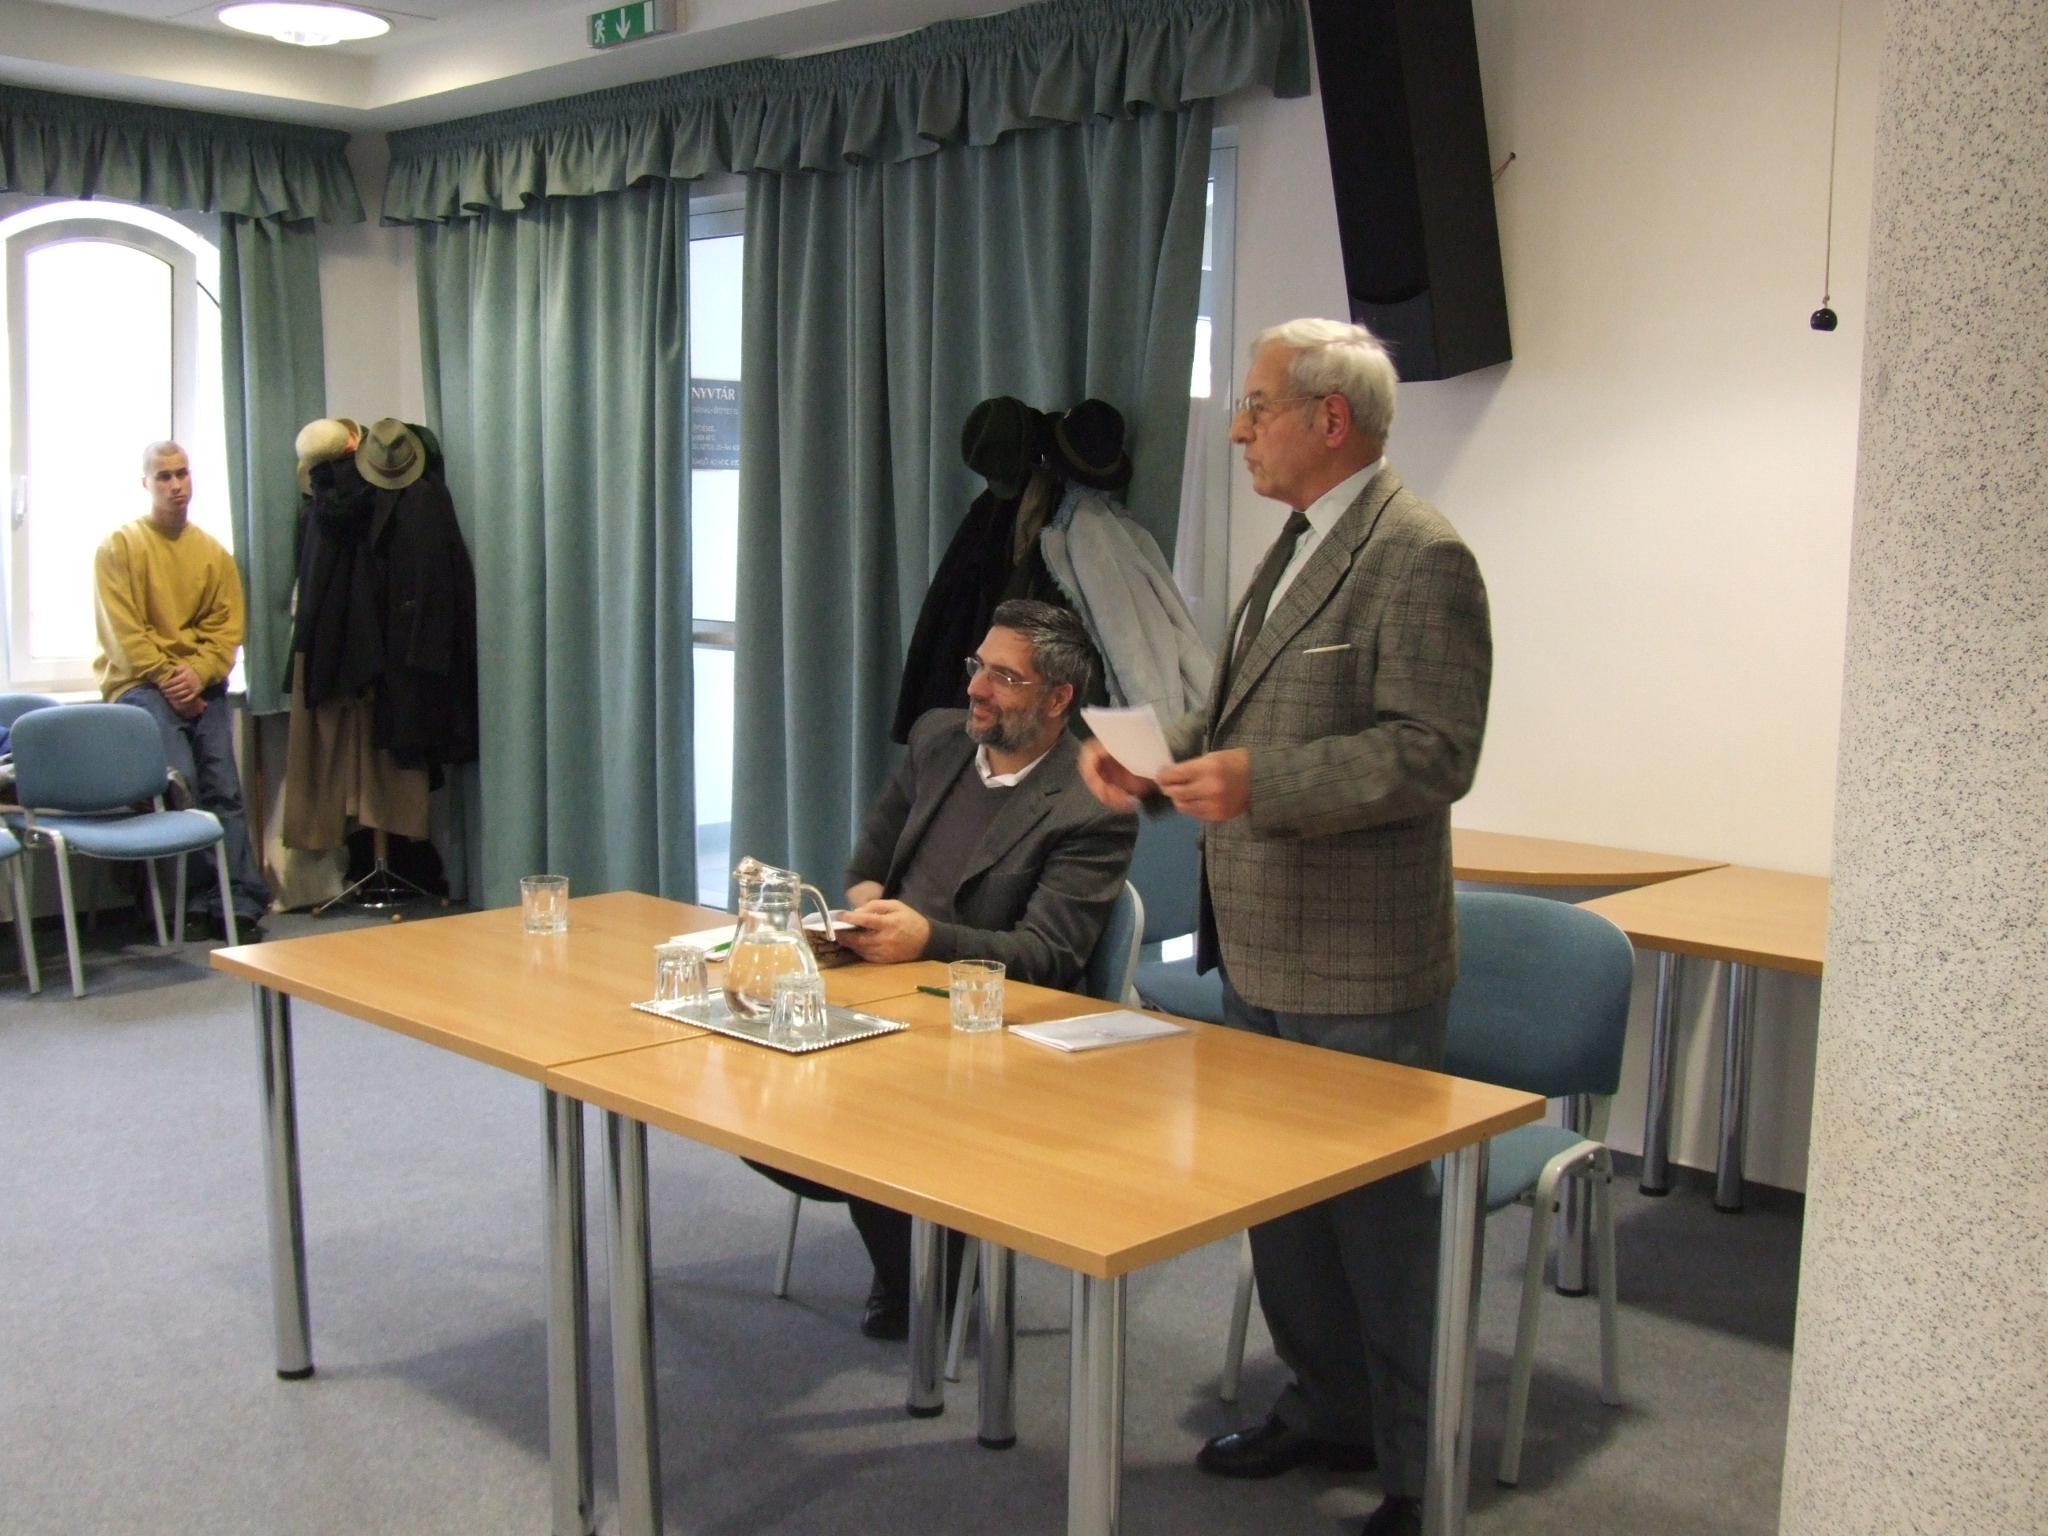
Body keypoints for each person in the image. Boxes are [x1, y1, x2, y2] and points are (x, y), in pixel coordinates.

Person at [1080, 320, 1492, 1536]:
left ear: (1330, 418)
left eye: (1255, 406)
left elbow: (1433, 753)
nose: (1235, 429)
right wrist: (1158, 767)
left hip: (1360, 962)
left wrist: (1265, 783)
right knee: (1284, 1216)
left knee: (1380, 1230)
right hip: (1257, 943)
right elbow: (1238, 723)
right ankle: (1326, 1406)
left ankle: (1416, 1471)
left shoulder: (1419, 554)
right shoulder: (1295, 542)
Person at [757, 598, 1138, 1339]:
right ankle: (908, 1243)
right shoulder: (939, 738)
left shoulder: (1091, 804)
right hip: (885, 983)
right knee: (758, 1078)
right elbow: (867, 869)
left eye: (1004, 676)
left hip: (994, 1021)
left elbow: (1049, 958)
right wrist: (864, 921)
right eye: (976, 666)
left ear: (1057, 698)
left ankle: (924, 1276)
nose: (975, 689)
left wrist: (926, 940)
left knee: (861, 1105)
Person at [93, 442, 269, 939]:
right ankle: (189, 900)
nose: (176, 485)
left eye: (182, 473)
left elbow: (226, 631)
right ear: (145, 484)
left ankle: (238, 900)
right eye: (164, 476)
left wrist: (199, 673)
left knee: (223, 787)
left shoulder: (213, 555)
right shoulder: (119, 547)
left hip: (201, 684)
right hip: (140, 686)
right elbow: (124, 634)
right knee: (182, 784)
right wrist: (171, 678)